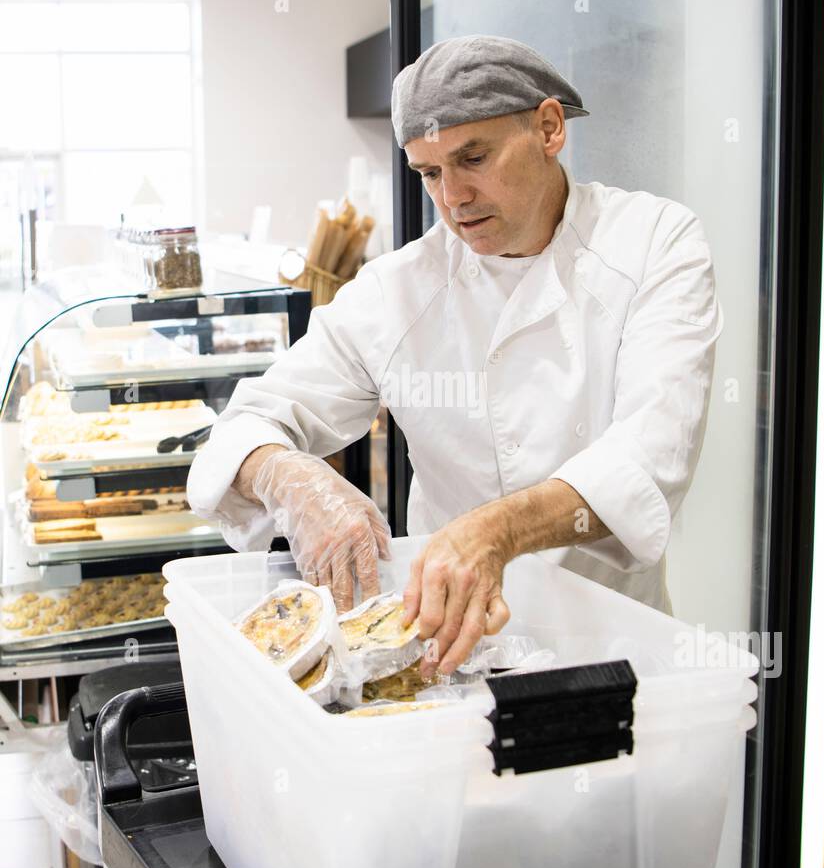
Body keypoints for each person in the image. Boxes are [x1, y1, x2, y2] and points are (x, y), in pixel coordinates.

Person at [187, 34, 723, 674]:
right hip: (446, 664)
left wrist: (494, 532)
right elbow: (244, 429)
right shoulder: (399, 290)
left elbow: (651, 454)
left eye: (474, 158)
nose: (452, 198)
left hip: (611, 659)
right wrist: (293, 479)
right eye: (430, 172)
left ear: (549, 129)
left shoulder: (652, 244)